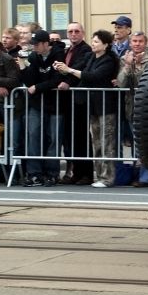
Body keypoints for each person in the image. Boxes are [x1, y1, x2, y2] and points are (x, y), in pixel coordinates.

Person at [54, 30, 121, 188]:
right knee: (96, 143)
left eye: (97, 41)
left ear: (106, 45)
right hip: (93, 106)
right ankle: (99, 175)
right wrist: (63, 68)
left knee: (107, 143)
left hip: (106, 106)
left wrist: (70, 70)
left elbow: (94, 76)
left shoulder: (109, 59)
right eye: (93, 40)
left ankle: (107, 177)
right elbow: (81, 69)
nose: (93, 43)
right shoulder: (90, 57)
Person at [21, 30, 66, 187]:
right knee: (33, 136)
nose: (34, 47)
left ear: (46, 44)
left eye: (37, 44)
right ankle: (34, 174)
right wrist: (23, 68)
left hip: (56, 105)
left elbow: (57, 79)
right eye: (33, 44)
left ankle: (52, 173)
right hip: (37, 104)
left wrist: (38, 87)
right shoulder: (34, 57)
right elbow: (29, 81)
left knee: (54, 139)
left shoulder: (59, 55)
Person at [117, 31, 148, 187]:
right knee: (136, 143)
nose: (137, 44)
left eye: (140, 41)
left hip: (146, 107)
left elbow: (145, 82)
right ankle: (138, 174)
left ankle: (145, 177)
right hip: (130, 106)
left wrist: (139, 66)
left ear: (146, 43)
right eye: (134, 41)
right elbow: (121, 82)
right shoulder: (125, 59)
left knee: (144, 143)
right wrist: (128, 65)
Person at [57, 21, 93, 185]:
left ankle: (86, 173)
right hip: (67, 101)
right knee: (71, 138)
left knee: (82, 137)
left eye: (76, 31)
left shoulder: (86, 49)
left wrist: (68, 81)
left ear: (82, 33)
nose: (73, 34)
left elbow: (79, 67)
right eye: (70, 31)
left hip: (80, 100)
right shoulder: (67, 50)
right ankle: (76, 172)